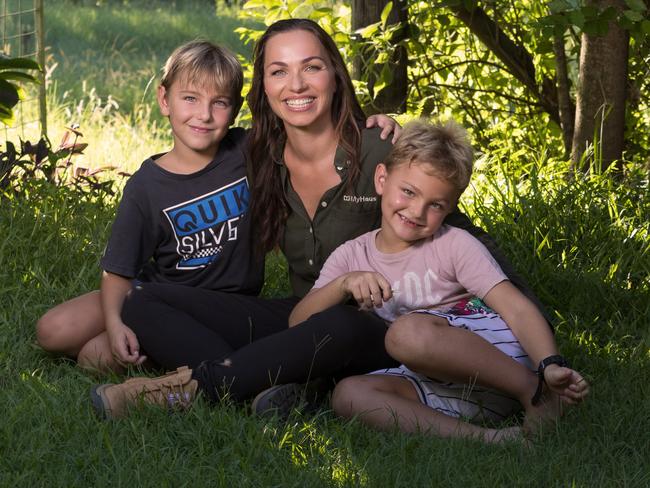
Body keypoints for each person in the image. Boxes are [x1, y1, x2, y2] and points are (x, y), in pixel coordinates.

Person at [89, 19, 548, 420]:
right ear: (263, 89)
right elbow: (191, 148)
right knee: (141, 300)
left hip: (383, 323)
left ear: (334, 75)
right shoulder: (257, 155)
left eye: (311, 66)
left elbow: (452, 226)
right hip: (307, 312)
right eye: (279, 71)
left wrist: (539, 352)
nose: (297, 84)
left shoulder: (379, 151)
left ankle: (192, 387)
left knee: (347, 324)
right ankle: (266, 379)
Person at [35, 39, 396, 374]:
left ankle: (213, 366)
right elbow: (118, 271)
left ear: (235, 109)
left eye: (219, 103)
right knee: (53, 330)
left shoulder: (248, 150)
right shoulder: (146, 186)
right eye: (189, 99)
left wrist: (372, 123)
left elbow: (309, 126)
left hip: (227, 303)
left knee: (93, 357)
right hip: (161, 293)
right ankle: (179, 348)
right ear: (164, 100)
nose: (204, 115)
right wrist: (115, 323)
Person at [289, 119, 589, 443]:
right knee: (349, 394)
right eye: (408, 191)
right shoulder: (352, 256)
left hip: (495, 359)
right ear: (381, 179)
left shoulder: (453, 244)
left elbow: (517, 309)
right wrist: (342, 284)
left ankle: (537, 393)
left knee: (405, 334)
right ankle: (491, 440)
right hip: (445, 382)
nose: (417, 211)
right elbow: (298, 324)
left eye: (436, 205)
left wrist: (549, 365)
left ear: (451, 208)